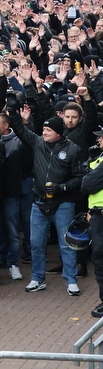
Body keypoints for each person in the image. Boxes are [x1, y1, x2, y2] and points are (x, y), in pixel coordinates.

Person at [9, 105, 85, 296]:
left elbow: (79, 178)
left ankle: (71, 280)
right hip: (39, 201)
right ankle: (38, 278)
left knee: (66, 243)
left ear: (58, 132)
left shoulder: (73, 149)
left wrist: (62, 187)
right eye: (43, 129)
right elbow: (19, 130)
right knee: (36, 243)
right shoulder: (37, 142)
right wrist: (12, 111)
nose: (44, 133)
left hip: (63, 203)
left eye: (48, 130)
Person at [81, 129, 103, 318]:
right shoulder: (98, 157)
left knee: (101, 258)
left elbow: (87, 184)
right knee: (98, 258)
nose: (99, 140)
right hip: (97, 214)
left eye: (102, 137)